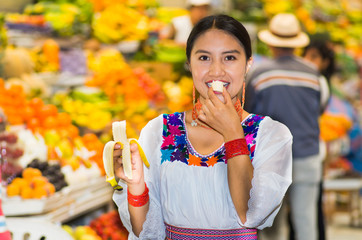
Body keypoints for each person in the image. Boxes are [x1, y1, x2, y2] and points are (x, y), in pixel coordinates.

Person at [112, 14, 293, 239]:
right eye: (204, 57)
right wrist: (136, 182)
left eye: (229, 58)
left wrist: (233, 132)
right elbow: (146, 232)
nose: (216, 71)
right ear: (189, 63)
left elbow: (250, 215)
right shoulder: (159, 131)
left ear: (248, 64)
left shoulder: (271, 135)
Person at [245, 13, 330, 240]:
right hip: (307, 155)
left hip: (273, 159)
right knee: (306, 222)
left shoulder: (258, 74)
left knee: (272, 227)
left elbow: (249, 115)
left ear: (271, 42)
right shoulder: (313, 73)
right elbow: (320, 108)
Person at [303, 37, 335, 240]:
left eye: (314, 57)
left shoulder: (318, 82)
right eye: (306, 55)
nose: (308, 60)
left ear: (325, 63)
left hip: (310, 150)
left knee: (309, 210)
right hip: (310, 149)